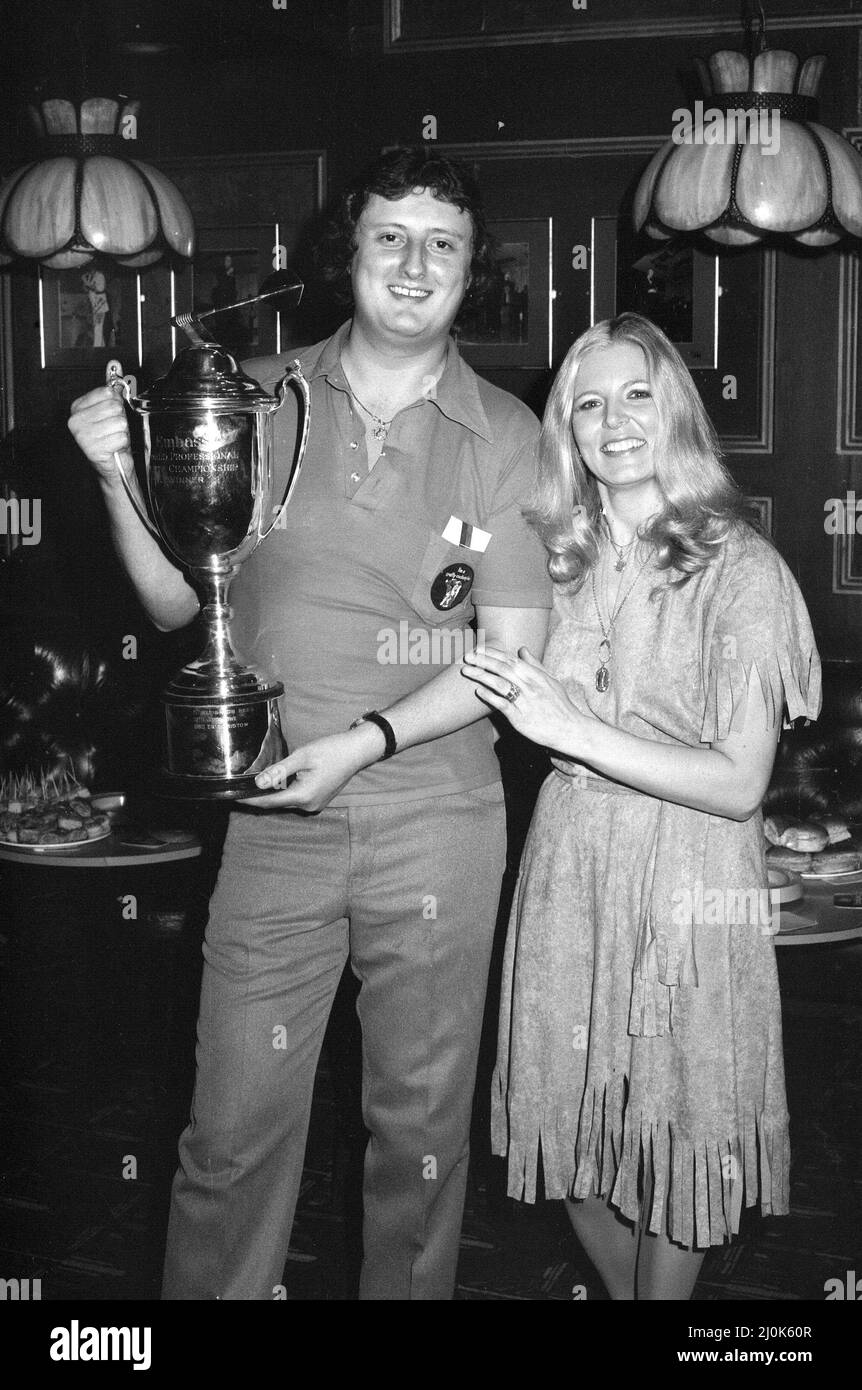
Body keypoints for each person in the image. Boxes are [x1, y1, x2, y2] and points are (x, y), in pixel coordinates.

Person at [67, 146, 552, 1300]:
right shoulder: (252, 396)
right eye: (391, 236)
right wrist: (110, 476)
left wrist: (367, 744)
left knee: (418, 1144)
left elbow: (511, 657)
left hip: (438, 820)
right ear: (350, 254)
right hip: (275, 816)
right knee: (228, 1133)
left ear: (471, 270)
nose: (415, 263)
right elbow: (179, 600)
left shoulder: (510, 435)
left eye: (444, 243)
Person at [461, 312, 821, 1301]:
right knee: (570, 1134)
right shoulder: (545, 557)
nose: (612, 420)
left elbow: (740, 781)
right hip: (570, 862)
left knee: (675, 1145)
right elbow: (437, 562)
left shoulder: (741, 569)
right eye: (587, 401)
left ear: (677, 412)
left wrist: (573, 733)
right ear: (563, 429)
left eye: (636, 394)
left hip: (692, 878)